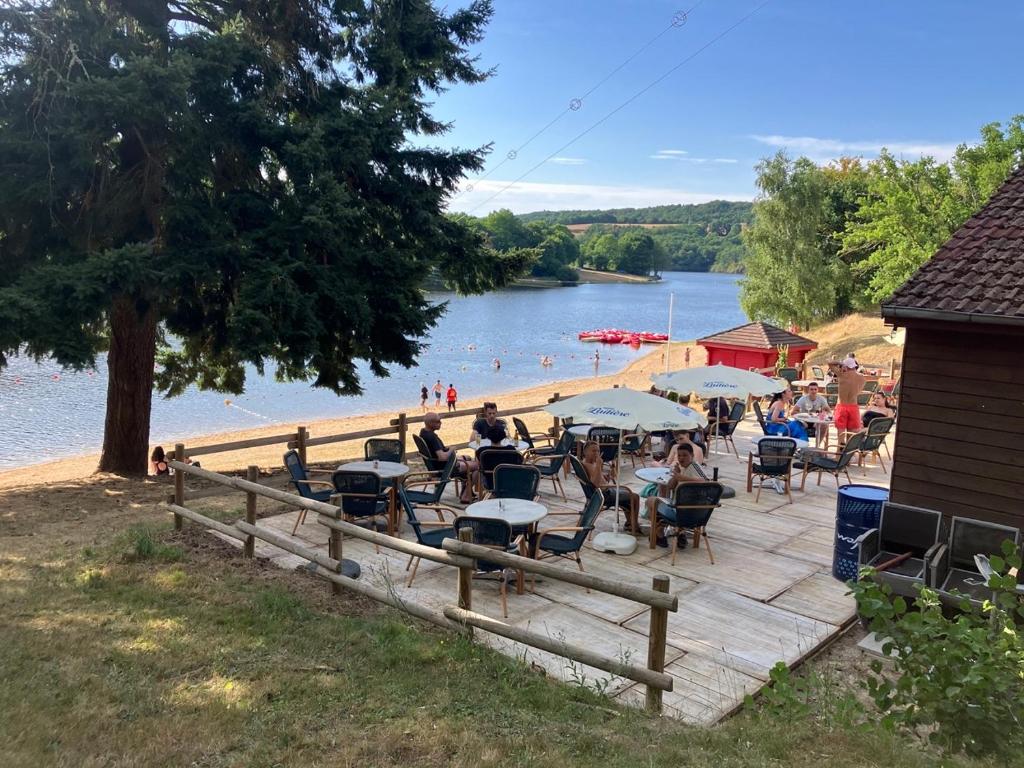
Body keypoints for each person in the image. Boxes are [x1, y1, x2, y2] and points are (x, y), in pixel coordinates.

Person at [645, 443, 709, 548]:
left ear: (692, 456)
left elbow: (705, 482)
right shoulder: (682, 468)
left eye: (685, 455)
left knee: (651, 501)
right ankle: (679, 534)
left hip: (684, 514)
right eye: (679, 455)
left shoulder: (695, 466)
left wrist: (681, 478)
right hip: (684, 510)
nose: (681, 458)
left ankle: (660, 535)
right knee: (657, 501)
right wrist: (676, 475)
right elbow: (670, 486)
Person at [581, 440, 640, 534]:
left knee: (627, 496)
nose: (596, 453)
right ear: (585, 452)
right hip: (603, 495)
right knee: (635, 497)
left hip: (603, 491)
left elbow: (596, 478)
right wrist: (599, 466)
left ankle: (630, 523)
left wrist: (604, 476)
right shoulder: (587, 465)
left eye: (598, 451)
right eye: (593, 451)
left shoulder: (591, 463)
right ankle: (634, 526)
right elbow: (595, 483)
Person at [420, 412, 478, 503]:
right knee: (479, 466)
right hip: (447, 467)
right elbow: (442, 457)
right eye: (438, 421)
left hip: (437, 464)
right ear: (430, 423)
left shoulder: (423, 432)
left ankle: (466, 490)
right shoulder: (432, 437)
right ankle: (466, 495)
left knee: (468, 458)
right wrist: (451, 449)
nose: (441, 423)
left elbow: (437, 452)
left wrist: (447, 450)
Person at [834, 358, 866, 446]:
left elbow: (830, 363)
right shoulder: (862, 378)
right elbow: (858, 392)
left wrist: (840, 363)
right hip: (853, 406)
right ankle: (848, 457)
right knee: (851, 436)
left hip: (842, 406)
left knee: (841, 436)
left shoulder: (842, 375)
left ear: (846, 366)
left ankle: (838, 456)